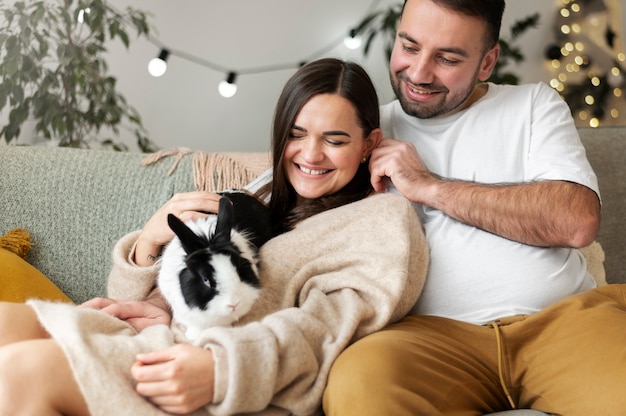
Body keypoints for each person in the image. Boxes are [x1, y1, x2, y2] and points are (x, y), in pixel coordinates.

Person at [0, 58, 429, 415]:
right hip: (158, 337)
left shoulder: (380, 220)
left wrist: (220, 370)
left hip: (222, 376)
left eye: (334, 140)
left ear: (370, 142)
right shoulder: (254, 201)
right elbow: (144, 298)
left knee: (22, 370)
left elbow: (324, 331)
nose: (311, 155)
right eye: (296, 135)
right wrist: (149, 247)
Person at [323, 1, 623, 415]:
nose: (419, 73)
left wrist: (429, 186)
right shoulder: (366, 129)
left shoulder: (534, 106)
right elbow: (293, 171)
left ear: (487, 62)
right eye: (409, 47)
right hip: (425, 341)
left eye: (447, 58)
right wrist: (216, 207)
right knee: (358, 383)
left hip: (564, 324)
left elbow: (576, 220)